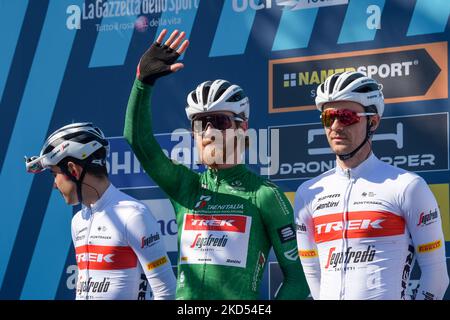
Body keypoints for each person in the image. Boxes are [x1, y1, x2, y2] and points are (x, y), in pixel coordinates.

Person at [123, 29, 309, 299]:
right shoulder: (186, 186)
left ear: (242, 127)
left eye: (220, 122)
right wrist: (143, 82)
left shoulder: (264, 195)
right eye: (200, 123)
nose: (209, 132)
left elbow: (298, 280)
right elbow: (137, 140)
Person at [294, 71, 449, 300]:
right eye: (328, 118)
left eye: (346, 116)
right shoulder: (307, 193)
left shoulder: (407, 186)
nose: (335, 126)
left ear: (373, 121)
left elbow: (436, 274)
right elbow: (312, 272)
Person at [25, 122, 176, 300]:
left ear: (73, 169)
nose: (54, 185)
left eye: (54, 174)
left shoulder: (133, 215)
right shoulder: (78, 221)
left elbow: (166, 291)